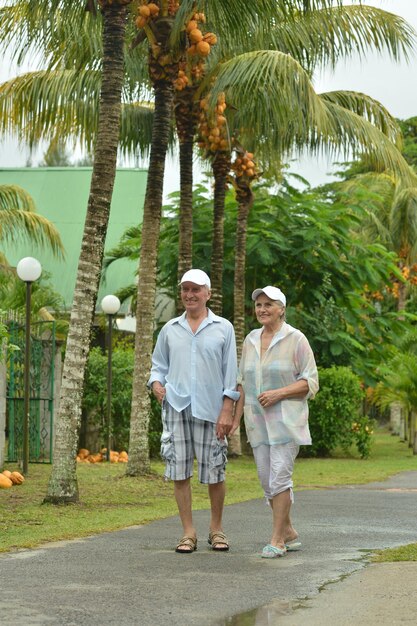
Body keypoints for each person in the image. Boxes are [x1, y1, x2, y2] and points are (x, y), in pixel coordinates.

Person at [149, 269, 240, 553]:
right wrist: (155, 384)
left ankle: (216, 529)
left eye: (196, 289)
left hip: (211, 410)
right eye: (185, 289)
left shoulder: (223, 327)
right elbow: (158, 366)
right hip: (176, 407)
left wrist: (227, 408)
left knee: (215, 470)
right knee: (179, 471)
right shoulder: (170, 329)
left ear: (208, 294)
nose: (189, 294)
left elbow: (231, 373)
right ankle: (188, 532)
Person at [231, 285, 318, 558]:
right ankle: (290, 531)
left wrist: (280, 393)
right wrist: (234, 420)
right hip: (257, 423)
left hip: (286, 423)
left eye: (269, 304)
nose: (262, 309)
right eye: (258, 305)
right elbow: (242, 383)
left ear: (282, 308)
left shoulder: (297, 339)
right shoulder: (250, 340)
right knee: (267, 481)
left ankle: (278, 539)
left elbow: (311, 381)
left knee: (280, 477)